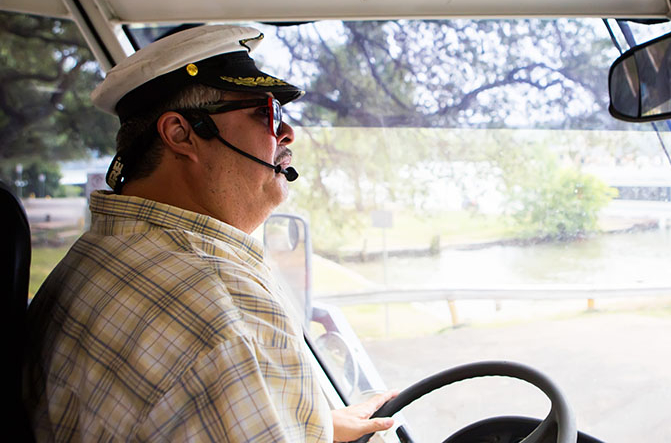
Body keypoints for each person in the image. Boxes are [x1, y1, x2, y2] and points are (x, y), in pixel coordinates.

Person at [23, 25, 396, 442]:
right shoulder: (224, 317)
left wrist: (311, 428)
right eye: (266, 112)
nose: (287, 132)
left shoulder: (103, 251)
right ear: (182, 134)